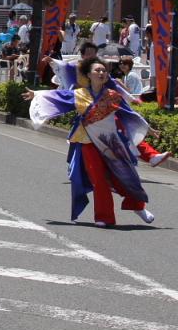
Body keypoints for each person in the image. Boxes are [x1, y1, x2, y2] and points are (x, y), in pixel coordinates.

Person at [24, 58, 158, 227]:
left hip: (111, 142)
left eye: (104, 71)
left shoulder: (113, 96)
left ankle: (137, 206)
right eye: (97, 71)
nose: (101, 73)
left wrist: (147, 128)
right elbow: (57, 96)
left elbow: (129, 114)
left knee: (124, 175)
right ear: (88, 75)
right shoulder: (79, 95)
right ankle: (104, 217)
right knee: (98, 179)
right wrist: (36, 94)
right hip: (87, 142)